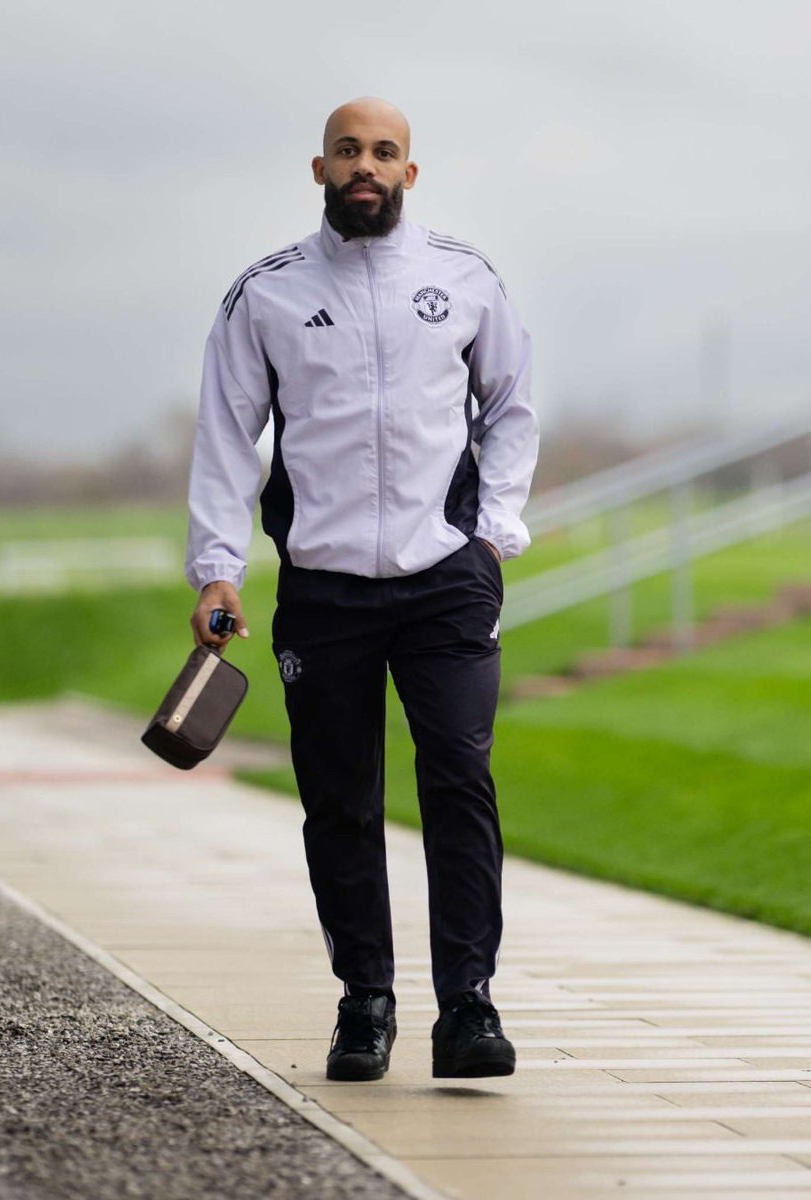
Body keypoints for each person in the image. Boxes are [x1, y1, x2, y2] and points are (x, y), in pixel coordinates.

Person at [185, 97, 538, 1082]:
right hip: (324, 590)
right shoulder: (267, 294)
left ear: (411, 173)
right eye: (349, 151)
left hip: (446, 582)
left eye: (385, 152)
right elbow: (225, 438)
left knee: (459, 781)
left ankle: (468, 1007)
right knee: (339, 801)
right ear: (320, 168)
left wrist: (496, 529)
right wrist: (217, 565)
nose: (366, 165)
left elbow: (511, 408)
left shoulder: (463, 277)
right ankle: (366, 1004)